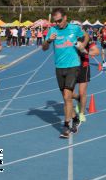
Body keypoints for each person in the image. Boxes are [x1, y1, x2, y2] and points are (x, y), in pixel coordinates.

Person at [42, 8, 89, 139]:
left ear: (65, 18)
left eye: (59, 21)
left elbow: (86, 35)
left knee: (67, 97)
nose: (57, 23)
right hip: (59, 67)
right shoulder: (52, 30)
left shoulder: (74, 28)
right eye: (55, 21)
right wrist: (48, 40)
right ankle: (75, 118)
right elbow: (44, 48)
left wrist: (82, 46)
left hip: (73, 65)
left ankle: (66, 126)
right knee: (65, 97)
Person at [73, 35, 99, 122]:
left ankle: (81, 113)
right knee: (69, 93)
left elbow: (96, 51)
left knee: (82, 92)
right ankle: (78, 99)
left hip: (83, 67)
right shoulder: (69, 37)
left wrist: (86, 52)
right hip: (70, 67)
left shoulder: (86, 39)